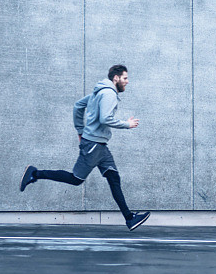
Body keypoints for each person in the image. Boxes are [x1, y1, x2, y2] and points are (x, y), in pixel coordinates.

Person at [19, 64, 150, 231]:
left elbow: (78, 105)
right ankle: (34, 173)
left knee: (114, 178)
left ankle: (129, 218)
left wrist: (80, 129)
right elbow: (105, 118)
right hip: (94, 145)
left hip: (100, 145)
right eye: (125, 78)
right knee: (76, 179)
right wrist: (127, 124)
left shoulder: (99, 92)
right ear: (115, 78)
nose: (127, 81)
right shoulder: (108, 93)